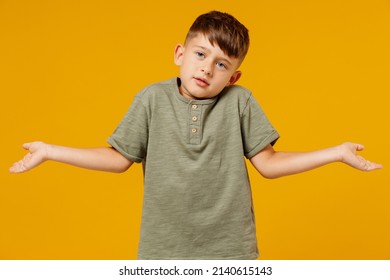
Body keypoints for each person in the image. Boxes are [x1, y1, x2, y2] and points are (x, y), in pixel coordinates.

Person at [9, 11, 382, 260]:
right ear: (179, 53)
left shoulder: (240, 102)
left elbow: (268, 164)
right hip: (162, 252)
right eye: (200, 54)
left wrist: (335, 153)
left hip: (231, 252)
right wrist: (50, 151)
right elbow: (118, 158)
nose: (207, 68)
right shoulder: (152, 99)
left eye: (221, 64)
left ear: (233, 77)